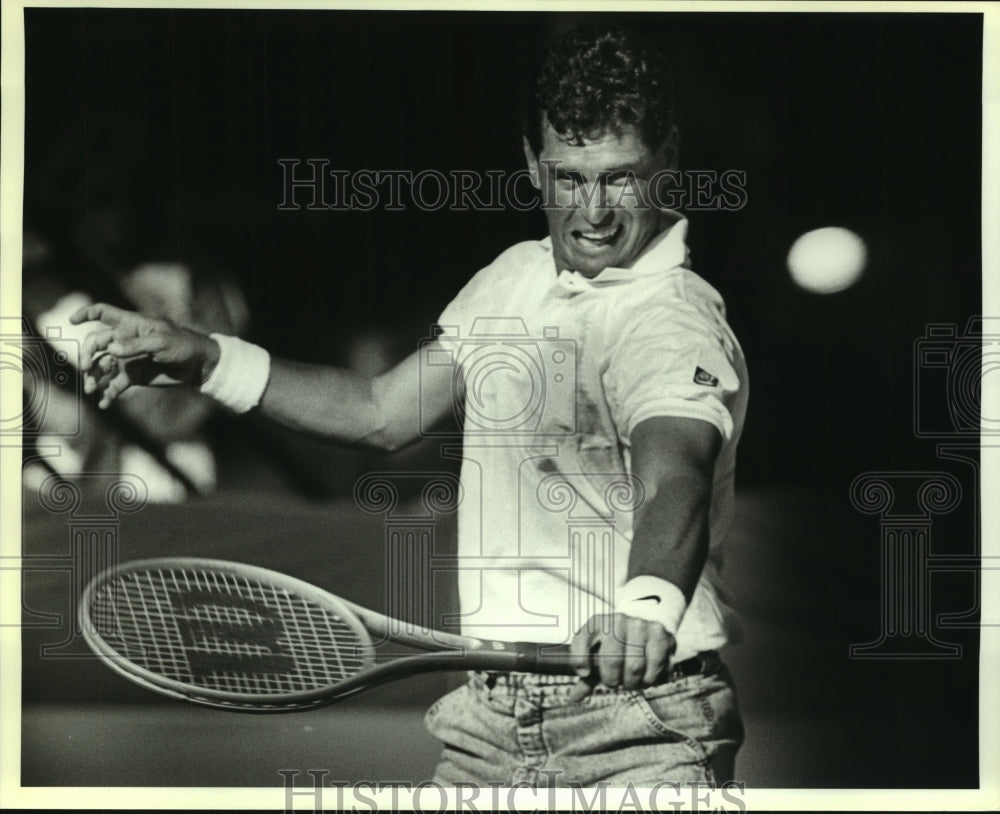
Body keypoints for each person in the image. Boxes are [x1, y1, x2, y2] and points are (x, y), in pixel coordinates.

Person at [71, 23, 748, 787]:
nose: (592, 212)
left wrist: (648, 604)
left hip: (640, 728)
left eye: (621, 177)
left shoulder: (672, 318)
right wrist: (206, 356)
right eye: (568, 178)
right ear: (531, 164)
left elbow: (677, 473)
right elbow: (378, 410)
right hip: (486, 727)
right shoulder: (515, 277)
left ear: (669, 163)